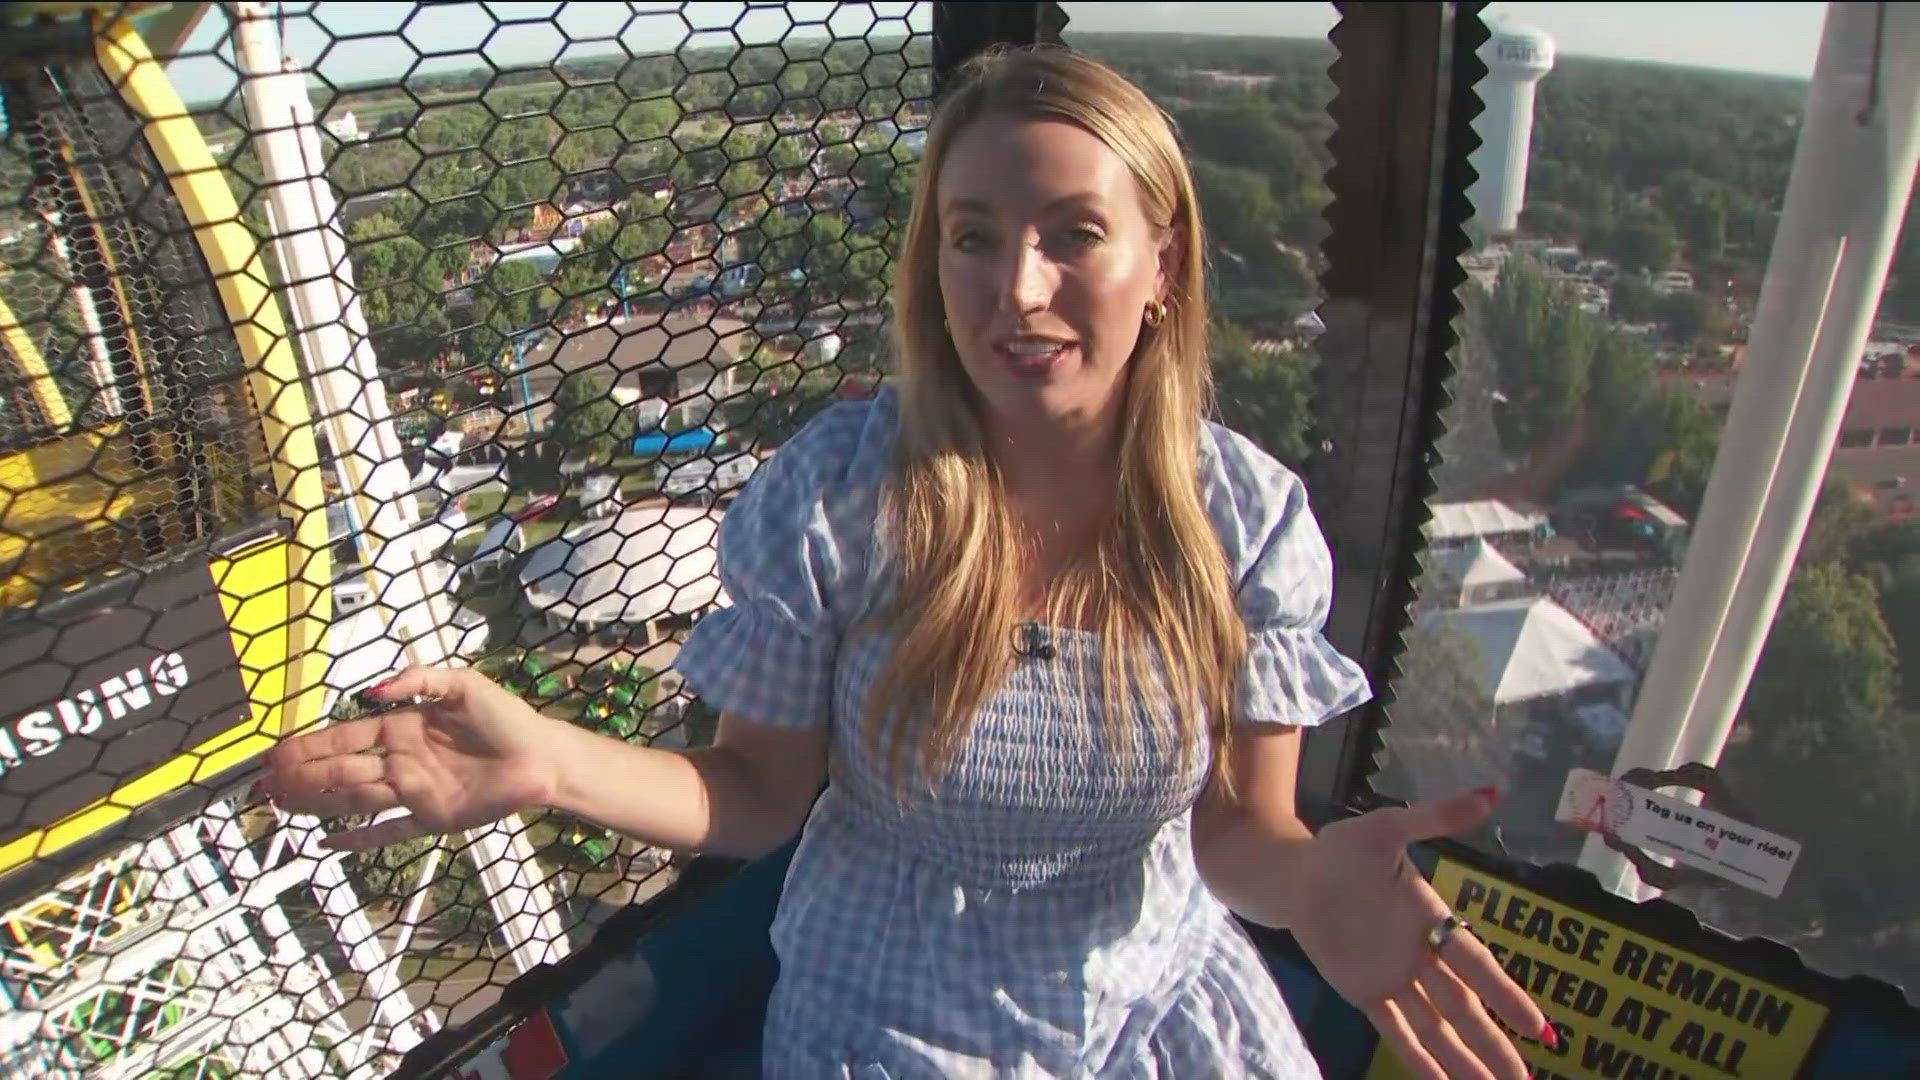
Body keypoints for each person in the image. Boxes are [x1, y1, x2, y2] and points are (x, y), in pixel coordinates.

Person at [264, 46, 1550, 1079]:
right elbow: (760, 792)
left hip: (1145, 1005)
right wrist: (548, 763)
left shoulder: (1244, 522)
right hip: (893, 1014)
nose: (1018, 289)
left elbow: (1237, 834)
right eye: (974, 237)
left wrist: (1313, 883)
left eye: (1075, 235)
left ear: (1163, 264)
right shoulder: (843, 494)